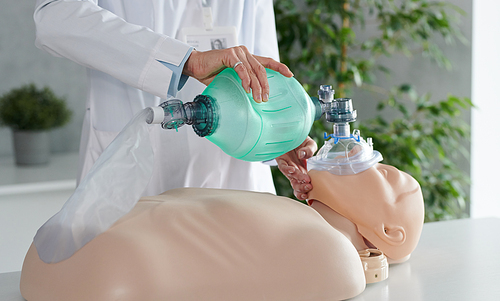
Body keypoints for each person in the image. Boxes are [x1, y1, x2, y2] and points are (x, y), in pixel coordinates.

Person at [34, 0, 315, 197]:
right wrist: (186, 61)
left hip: (235, 179)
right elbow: (55, 15)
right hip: (136, 170)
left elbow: (263, 66)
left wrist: (276, 133)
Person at [19, 163, 424, 301]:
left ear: (389, 232)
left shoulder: (333, 256)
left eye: (386, 173)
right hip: (103, 261)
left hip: (91, 262)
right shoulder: (302, 228)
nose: (367, 160)